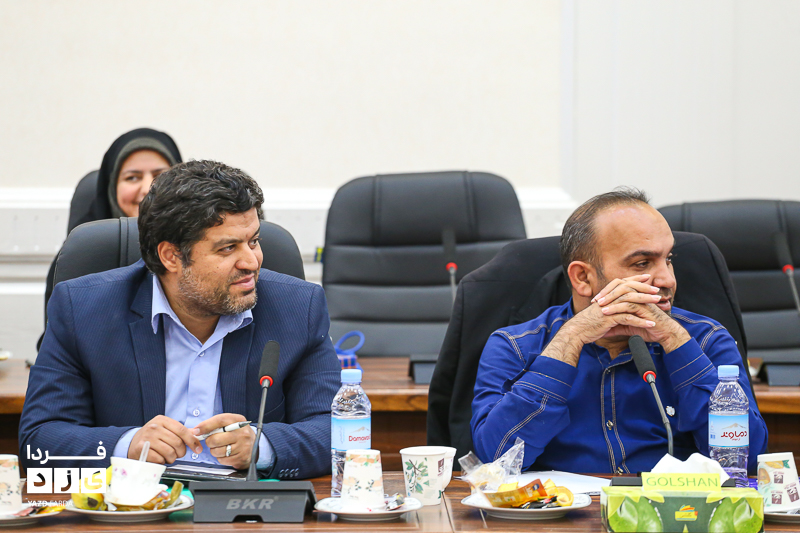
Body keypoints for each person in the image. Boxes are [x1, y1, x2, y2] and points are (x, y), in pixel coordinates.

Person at [21, 160, 340, 478]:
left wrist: (262, 445)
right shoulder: (82, 310)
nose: (251, 262)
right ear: (171, 256)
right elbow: (39, 441)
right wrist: (127, 445)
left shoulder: (299, 308)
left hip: (245, 506)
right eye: (228, 248)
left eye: (253, 241)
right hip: (133, 503)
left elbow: (335, 428)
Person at [470, 188, 768, 473]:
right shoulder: (515, 347)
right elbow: (496, 460)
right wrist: (571, 338)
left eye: (668, 260)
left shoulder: (706, 339)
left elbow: (746, 460)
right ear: (582, 277)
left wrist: (675, 340)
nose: (667, 279)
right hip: (563, 508)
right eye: (642, 263)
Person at [40, 128, 182, 349]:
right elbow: (57, 348)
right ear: (111, 187)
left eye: (160, 176)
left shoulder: (204, 250)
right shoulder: (78, 257)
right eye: (132, 177)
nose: (147, 188)